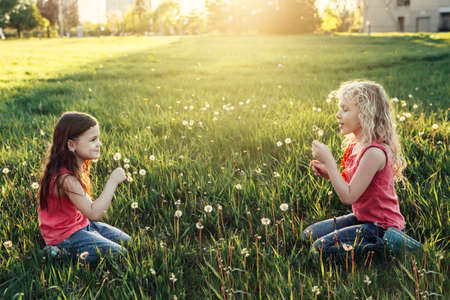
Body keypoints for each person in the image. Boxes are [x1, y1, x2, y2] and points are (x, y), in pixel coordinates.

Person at [302, 80, 407, 256]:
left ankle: (386, 247)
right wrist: (330, 174)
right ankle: (373, 244)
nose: (337, 114)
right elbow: (354, 185)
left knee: (318, 250)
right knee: (308, 235)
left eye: (345, 109)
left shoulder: (374, 153)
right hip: (363, 219)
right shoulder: (357, 145)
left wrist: (329, 162)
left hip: (381, 228)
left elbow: (348, 196)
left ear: (366, 114)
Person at [39, 112, 130, 263]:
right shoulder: (65, 179)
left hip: (83, 225)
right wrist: (112, 181)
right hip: (65, 236)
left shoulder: (77, 166)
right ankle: (58, 252)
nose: (99, 144)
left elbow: (87, 211)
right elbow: (94, 213)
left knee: (129, 242)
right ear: (71, 145)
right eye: (93, 140)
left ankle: (87, 240)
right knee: (119, 254)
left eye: (98, 138)